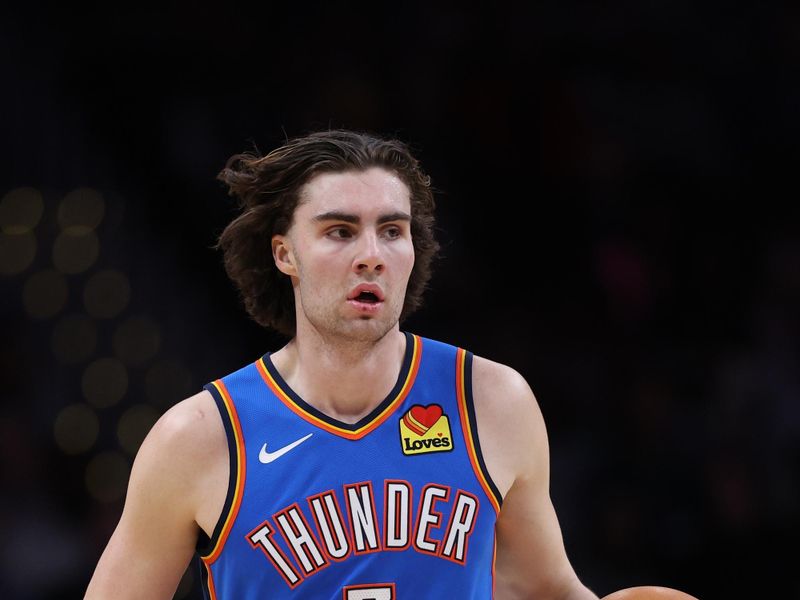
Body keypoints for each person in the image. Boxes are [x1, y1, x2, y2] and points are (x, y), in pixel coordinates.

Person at [84, 129, 598, 599]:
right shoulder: (198, 438)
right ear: (285, 255)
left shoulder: (492, 400)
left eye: (392, 231)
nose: (371, 254)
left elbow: (544, 589)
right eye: (340, 231)